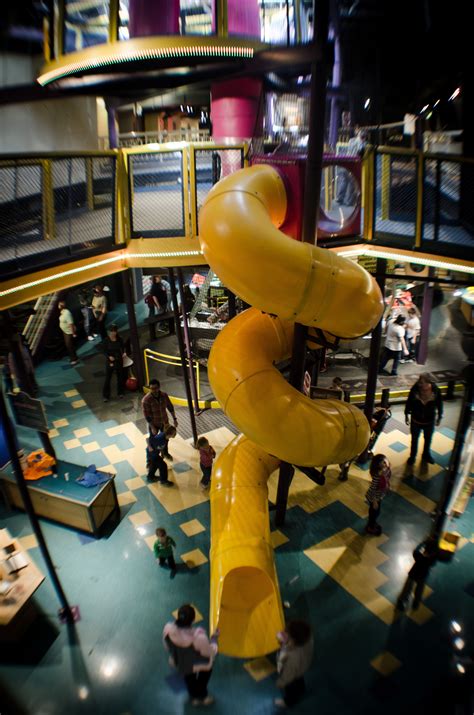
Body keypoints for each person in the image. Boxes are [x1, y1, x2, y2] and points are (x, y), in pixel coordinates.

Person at [163, 604, 218, 707]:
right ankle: (203, 697)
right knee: (202, 680)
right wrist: (214, 640)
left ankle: (194, 698)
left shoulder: (168, 629)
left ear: (178, 616)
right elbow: (210, 653)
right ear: (193, 621)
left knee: (189, 679)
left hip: (181, 663)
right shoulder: (199, 636)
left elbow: (167, 647)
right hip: (199, 664)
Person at [405, 374, 443, 465]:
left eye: (422, 382)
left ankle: (426, 454)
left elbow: (439, 404)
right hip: (416, 420)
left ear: (428, 383)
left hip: (429, 421)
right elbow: (409, 402)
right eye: (419, 382)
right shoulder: (415, 391)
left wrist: (440, 416)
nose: (419, 384)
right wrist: (406, 414)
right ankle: (412, 456)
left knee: (428, 439)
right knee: (414, 440)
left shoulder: (436, 391)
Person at [275, 620, 313, 709]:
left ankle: (289, 702)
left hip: (291, 672)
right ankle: (301, 690)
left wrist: (281, 682)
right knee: (299, 679)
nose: (284, 632)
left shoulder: (292, 657)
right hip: (302, 666)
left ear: (293, 641)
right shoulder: (306, 639)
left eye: (287, 632)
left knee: (290, 686)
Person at [396, 537, 438, 611]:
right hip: (422, 576)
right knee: (419, 590)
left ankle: (402, 602)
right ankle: (416, 603)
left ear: (425, 549)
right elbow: (435, 559)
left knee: (407, 589)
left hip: (413, 574)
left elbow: (415, 550)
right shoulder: (431, 560)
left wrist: (423, 543)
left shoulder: (418, 556)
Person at [142, 379, 178, 459]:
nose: (154, 390)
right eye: (152, 388)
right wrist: (152, 427)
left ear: (159, 387)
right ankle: (151, 457)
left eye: (155, 388)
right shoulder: (146, 400)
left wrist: (174, 419)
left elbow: (170, 407)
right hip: (154, 423)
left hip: (165, 422)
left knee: (166, 439)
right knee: (153, 441)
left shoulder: (164, 395)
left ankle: (165, 453)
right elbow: (147, 415)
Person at [365, 454, 391, 535]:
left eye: (385, 461)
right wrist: (374, 501)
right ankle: (370, 526)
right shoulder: (377, 476)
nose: (385, 463)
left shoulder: (385, 470)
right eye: (382, 462)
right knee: (374, 512)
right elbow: (373, 489)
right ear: (378, 465)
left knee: (376, 512)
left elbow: (387, 479)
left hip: (379, 496)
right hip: (374, 498)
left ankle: (372, 522)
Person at [102, 324, 125, 402]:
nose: (113, 333)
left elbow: (123, 348)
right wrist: (109, 357)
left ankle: (120, 392)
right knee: (108, 378)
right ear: (109, 332)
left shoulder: (120, 339)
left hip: (119, 360)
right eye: (112, 331)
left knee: (120, 377)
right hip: (110, 361)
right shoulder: (106, 340)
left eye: (115, 331)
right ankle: (106, 396)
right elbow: (104, 351)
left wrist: (124, 353)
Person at [58, 300, 78, 366]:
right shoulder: (62, 312)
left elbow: (71, 323)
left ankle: (74, 359)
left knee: (69, 346)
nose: (58, 306)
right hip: (65, 331)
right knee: (69, 345)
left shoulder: (67, 313)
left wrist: (73, 333)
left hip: (69, 332)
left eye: (59, 305)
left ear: (61, 306)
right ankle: (74, 357)